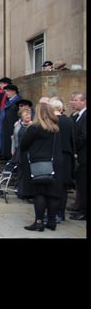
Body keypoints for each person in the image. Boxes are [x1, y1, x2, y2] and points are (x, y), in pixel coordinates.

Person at [19, 102, 63, 231]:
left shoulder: (35, 128)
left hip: (39, 163)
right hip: (56, 162)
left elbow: (24, 145)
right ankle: (51, 221)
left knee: (40, 193)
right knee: (53, 193)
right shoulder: (56, 127)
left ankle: (38, 222)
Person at [48, 98, 75, 223]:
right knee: (63, 187)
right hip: (67, 156)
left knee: (53, 185)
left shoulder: (51, 121)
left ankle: (53, 213)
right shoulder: (69, 121)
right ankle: (61, 213)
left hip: (54, 156)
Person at [68, 92, 86, 221]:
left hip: (83, 156)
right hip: (79, 156)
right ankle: (80, 207)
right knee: (80, 184)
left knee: (84, 185)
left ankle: (84, 211)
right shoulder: (78, 115)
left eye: (76, 100)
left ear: (84, 101)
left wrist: (74, 148)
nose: (73, 102)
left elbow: (83, 136)